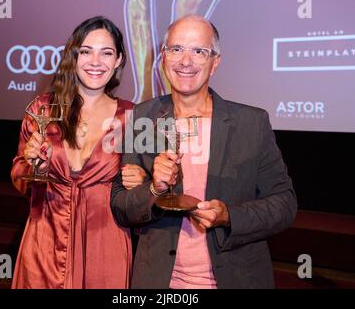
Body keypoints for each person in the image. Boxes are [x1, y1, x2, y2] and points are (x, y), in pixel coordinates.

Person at [111, 15, 298, 289]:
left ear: (215, 62)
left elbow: (285, 203)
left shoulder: (250, 123)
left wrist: (229, 216)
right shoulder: (143, 118)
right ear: (163, 57)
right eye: (176, 49)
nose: (185, 61)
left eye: (199, 51)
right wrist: (154, 189)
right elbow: (121, 207)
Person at [11, 16, 145, 289]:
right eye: (86, 51)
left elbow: (142, 195)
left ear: (118, 60)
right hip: (45, 242)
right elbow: (20, 179)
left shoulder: (133, 117)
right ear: (73, 56)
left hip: (105, 246)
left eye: (106, 53)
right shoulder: (42, 109)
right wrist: (30, 162)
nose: (95, 61)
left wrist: (142, 181)